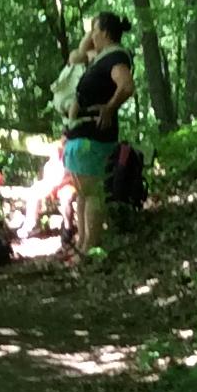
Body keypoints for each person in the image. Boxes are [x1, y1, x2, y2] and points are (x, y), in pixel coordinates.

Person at [60, 13, 135, 263]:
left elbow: (126, 85)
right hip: (81, 134)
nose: (91, 37)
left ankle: (91, 249)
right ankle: (82, 245)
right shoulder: (100, 57)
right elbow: (77, 55)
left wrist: (110, 107)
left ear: (104, 33)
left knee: (92, 194)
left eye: (95, 31)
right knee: (83, 194)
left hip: (95, 136)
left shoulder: (116, 57)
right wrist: (90, 31)